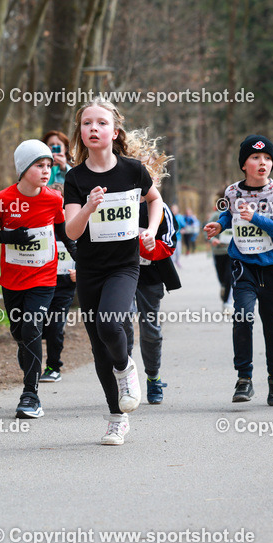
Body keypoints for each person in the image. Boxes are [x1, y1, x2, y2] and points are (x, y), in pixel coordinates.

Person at [63, 98, 165, 445]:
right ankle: (116, 419)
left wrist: (151, 230)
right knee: (98, 348)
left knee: (110, 324)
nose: (93, 128)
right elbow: (71, 230)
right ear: (80, 132)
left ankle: (126, 367)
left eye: (101, 123)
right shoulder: (75, 178)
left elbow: (155, 199)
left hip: (124, 266)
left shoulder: (133, 170)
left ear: (115, 131)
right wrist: (89, 206)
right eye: (86, 123)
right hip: (89, 269)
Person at [0, 140, 72, 418]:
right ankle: (26, 357)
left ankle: (30, 395)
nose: (46, 171)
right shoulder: (3, 199)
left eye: (48, 166)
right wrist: (10, 237)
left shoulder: (54, 199)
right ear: (22, 169)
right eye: (39, 165)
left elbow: (63, 233)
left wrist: (81, 259)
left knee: (32, 328)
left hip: (44, 277)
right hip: (12, 279)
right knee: (20, 334)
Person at [203, 135, 273, 406]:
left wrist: (256, 218)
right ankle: (244, 378)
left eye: (267, 158)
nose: (262, 162)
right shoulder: (232, 192)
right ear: (244, 164)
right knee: (242, 317)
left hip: (272, 267)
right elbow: (228, 214)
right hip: (243, 265)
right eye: (255, 158)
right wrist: (220, 225)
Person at [123, 129, 181, 405]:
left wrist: (148, 244)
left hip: (150, 275)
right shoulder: (119, 203)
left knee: (150, 329)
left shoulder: (160, 209)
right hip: (121, 273)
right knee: (122, 323)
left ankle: (153, 377)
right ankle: (125, 378)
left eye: (149, 173)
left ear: (156, 178)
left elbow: (169, 244)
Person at [40, 171, 78, 384]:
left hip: (64, 286)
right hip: (39, 284)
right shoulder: (39, 225)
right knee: (33, 326)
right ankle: (28, 356)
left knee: (55, 327)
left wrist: (79, 271)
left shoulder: (73, 227)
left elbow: (84, 252)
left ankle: (53, 367)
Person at [208, 190, 234, 313]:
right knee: (221, 276)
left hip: (230, 251)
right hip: (218, 251)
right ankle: (223, 286)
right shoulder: (216, 215)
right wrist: (213, 239)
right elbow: (207, 231)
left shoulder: (235, 215)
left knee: (229, 276)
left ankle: (227, 303)